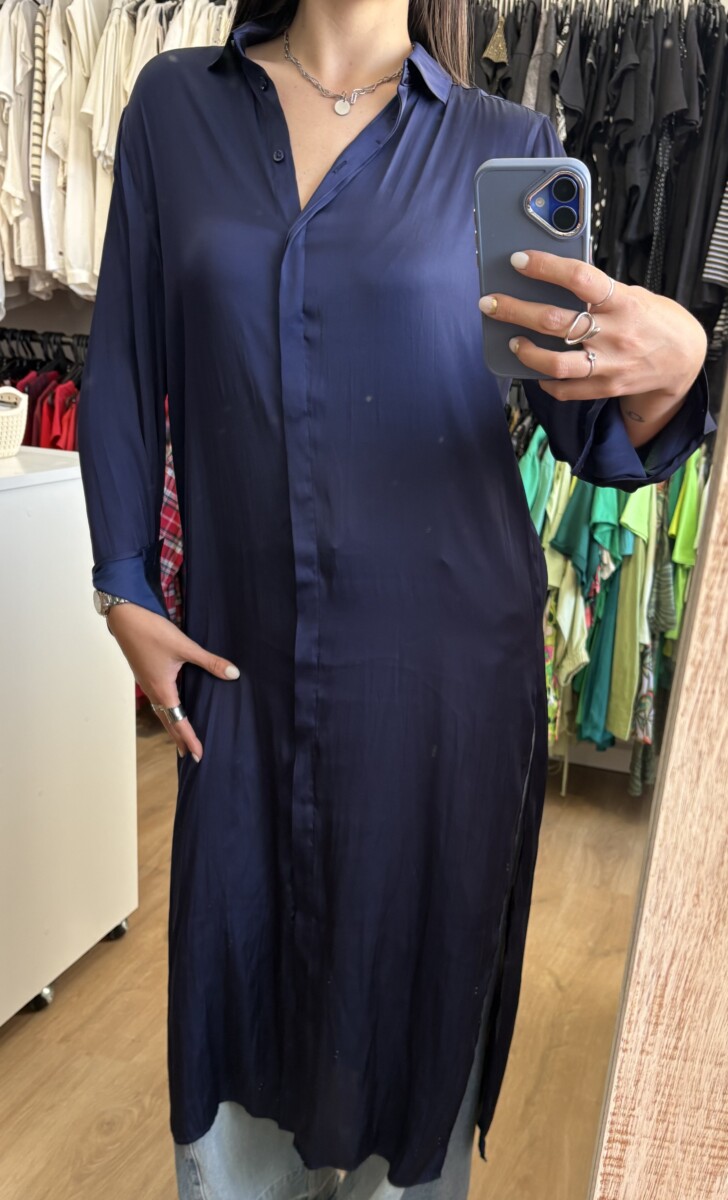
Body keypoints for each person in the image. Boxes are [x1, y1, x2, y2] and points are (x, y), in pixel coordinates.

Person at [77, 2, 714, 1199]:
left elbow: (581, 423)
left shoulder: (504, 141)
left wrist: (673, 365)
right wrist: (122, 584)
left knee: (412, 1004)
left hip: (444, 680)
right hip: (241, 670)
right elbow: (122, 357)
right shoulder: (175, 107)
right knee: (235, 988)